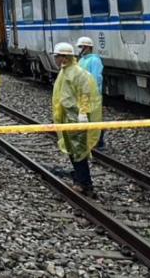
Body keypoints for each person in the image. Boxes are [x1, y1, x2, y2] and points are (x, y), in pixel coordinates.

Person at [52, 42, 102, 197]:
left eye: (57, 56)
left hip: (76, 119)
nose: (55, 59)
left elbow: (85, 93)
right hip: (67, 119)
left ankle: (85, 183)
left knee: (79, 152)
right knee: (72, 151)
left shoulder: (78, 73)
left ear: (64, 57)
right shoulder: (64, 72)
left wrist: (83, 113)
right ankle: (80, 181)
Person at [77, 36, 105, 149]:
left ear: (87, 47)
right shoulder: (81, 60)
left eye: (81, 46)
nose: (80, 49)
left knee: (95, 118)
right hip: (83, 94)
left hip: (93, 95)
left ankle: (100, 142)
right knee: (85, 117)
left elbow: (96, 77)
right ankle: (90, 139)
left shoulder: (95, 60)